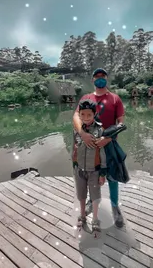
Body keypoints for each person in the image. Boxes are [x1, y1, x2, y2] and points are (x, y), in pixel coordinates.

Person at [73, 68, 125, 228]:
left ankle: (115, 207)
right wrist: (82, 133)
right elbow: (75, 116)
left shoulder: (115, 99)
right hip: (89, 144)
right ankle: (90, 200)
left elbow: (121, 122)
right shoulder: (86, 97)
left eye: (103, 76)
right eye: (97, 77)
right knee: (90, 175)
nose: (100, 79)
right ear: (92, 80)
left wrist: (107, 138)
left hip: (109, 145)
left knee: (112, 177)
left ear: (107, 79)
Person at [73, 99, 107, 232]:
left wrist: (102, 173)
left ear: (94, 114)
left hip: (94, 170)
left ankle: (95, 219)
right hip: (79, 169)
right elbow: (74, 147)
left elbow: (102, 153)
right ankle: (82, 215)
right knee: (81, 195)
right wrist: (74, 164)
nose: (85, 118)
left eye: (89, 115)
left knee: (95, 196)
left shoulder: (99, 130)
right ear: (79, 114)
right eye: (82, 114)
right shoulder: (77, 130)